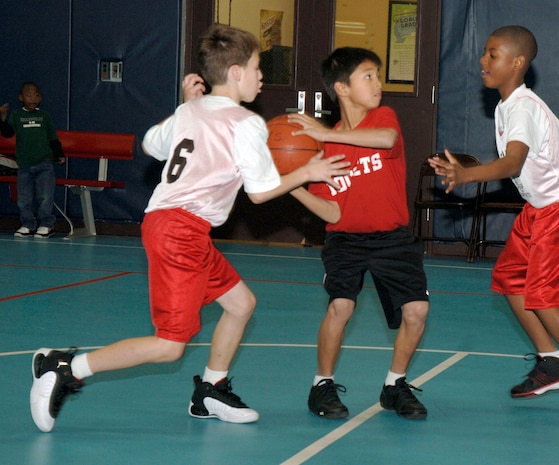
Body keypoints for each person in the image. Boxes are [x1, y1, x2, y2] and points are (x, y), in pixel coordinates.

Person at [28, 24, 350, 433]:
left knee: (241, 304)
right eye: (256, 67)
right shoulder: (246, 123)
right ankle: (64, 367)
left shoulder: (189, 110)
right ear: (235, 72)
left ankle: (210, 392)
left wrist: (186, 106)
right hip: (180, 229)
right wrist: (307, 170)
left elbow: (151, 145)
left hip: (177, 226)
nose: (261, 76)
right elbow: (260, 192)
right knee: (168, 346)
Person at [429, 26, 559, 423]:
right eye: (484, 54)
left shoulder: (521, 107)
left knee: (543, 295)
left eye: (492, 55)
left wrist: (469, 176)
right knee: (509, 278)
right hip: (540, 207)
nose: (483, 62)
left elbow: (513, 163)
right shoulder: (507, 106)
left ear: (517, 62)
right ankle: (553, 363)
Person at [287, 47, 430, 420]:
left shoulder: (383, 118)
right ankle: (322, 384)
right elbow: (332, 210)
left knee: (416, 311)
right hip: (345, 240)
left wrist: (321, 132)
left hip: (392, 238)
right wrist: (295, 185)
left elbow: (385, 140)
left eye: (378, 75)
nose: (377, 83)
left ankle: (394, 385)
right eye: (368, 76)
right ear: (342, 88)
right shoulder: (325, 144)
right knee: (341, 306)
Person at [0, 82, 65, 238]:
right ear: (21, 98)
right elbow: (8, 133)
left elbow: (53, 138)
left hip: (44, 163)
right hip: (24, 165)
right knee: (24, 198)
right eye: (28, 95)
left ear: (40, 98)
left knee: (45, 196)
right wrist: (2, 120)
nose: (32, 98)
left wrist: (60, 154)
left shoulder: (44, 116)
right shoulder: (17, 115)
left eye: (36, 95)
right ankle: (28, 224)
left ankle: (46, 224)